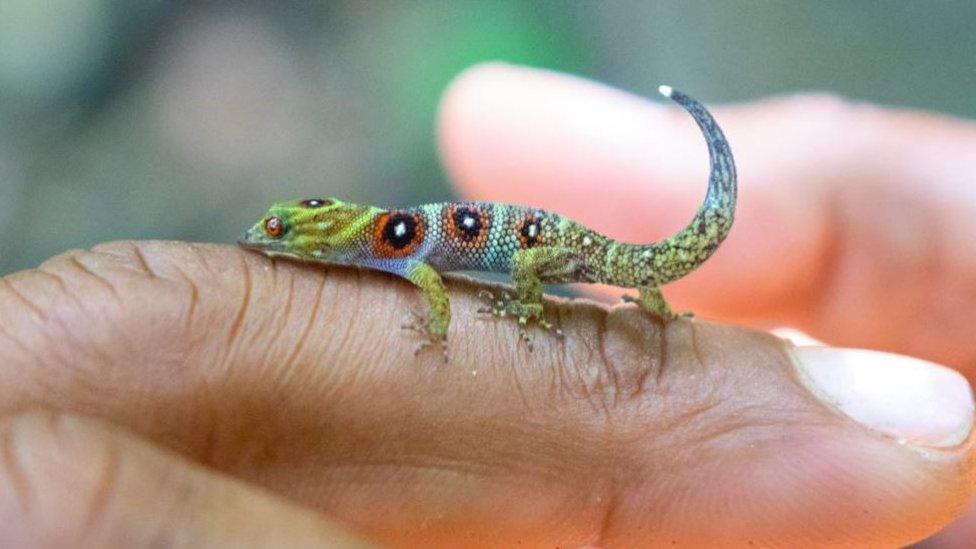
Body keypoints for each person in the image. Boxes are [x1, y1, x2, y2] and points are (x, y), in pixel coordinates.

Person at [0, 63, 972, 547]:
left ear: (329, 229)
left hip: (556, 255)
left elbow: (432, 287)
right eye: (282, 235)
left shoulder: (399, 252)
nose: (278, 245)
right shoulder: (388, 243)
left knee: (601, 288)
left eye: (294, 235)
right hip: (565, 256)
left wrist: (477, 321)